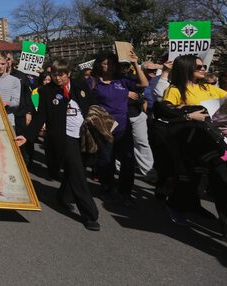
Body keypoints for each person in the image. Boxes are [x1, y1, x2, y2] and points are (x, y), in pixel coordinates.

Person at [161, 54, 227, 245]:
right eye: (199, 67)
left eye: (203, 66)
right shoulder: (174, 90)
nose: (203, 69)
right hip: (189, 143)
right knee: (193, 181)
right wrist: (189, 116)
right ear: (186, 68)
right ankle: (175, 205)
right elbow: (166, 116)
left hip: (215, 142)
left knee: (224, 181)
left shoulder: (210, 88)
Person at [30, 60, 100, 230]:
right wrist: (27, 136)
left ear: (68, 73)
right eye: (54, 74)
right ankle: (90, 215)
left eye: (61, 74)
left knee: (76, 169)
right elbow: (40, 117)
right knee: (78, 174)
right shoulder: (46, 91)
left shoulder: (79, 84)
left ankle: (63, 196)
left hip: (84, 135)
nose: (58, 78)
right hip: (64, 137)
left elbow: (92, 104)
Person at [91, 50, 147, 204]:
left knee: (128, 161)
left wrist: (136, 63)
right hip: (104, 127)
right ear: (99, 65)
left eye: (112, 63)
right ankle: (107, 189)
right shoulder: (93, 82)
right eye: (105, 63)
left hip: (124, 127)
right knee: (106, 160)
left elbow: (144, 84)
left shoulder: (122, 80)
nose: (108, 66)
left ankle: (125, 192)